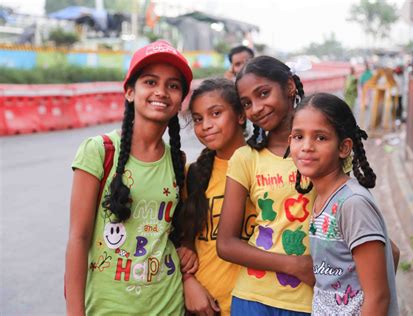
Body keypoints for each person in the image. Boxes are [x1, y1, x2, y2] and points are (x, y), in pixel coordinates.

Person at [65, 40, 192, 315]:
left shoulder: (178, 161)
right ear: (130, 92)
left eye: (173, 85)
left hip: (169, 304)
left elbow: (176, 233)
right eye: (150, 82)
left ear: (181, 99)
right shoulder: (99, 151)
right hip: (109, 307)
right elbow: (78, 237)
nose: (161, 92)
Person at [217, 55, 325, 315]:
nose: (256, 108)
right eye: (247, 103)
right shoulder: (246, 158)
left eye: (263, 93)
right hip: (252, 299)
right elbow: (226, 244)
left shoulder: (320, 150)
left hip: (309, 300)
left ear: (289, 87)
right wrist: (294, 265)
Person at [288, 92, 399, 315]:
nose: (306, 146)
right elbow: (392, 252)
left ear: (344, 148)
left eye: (320, 138)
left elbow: (378, 297)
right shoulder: (323, 198)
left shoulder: (352, 203)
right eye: (298, 136)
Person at [175, 78, 256, 316]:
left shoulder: (265, 166)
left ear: (241, 115)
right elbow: (179, 241)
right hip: (205, 305)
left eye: (216, 113)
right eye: (198, 119)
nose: (206, 125)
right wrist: (188, 281)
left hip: (257, 304)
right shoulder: (194, 174)